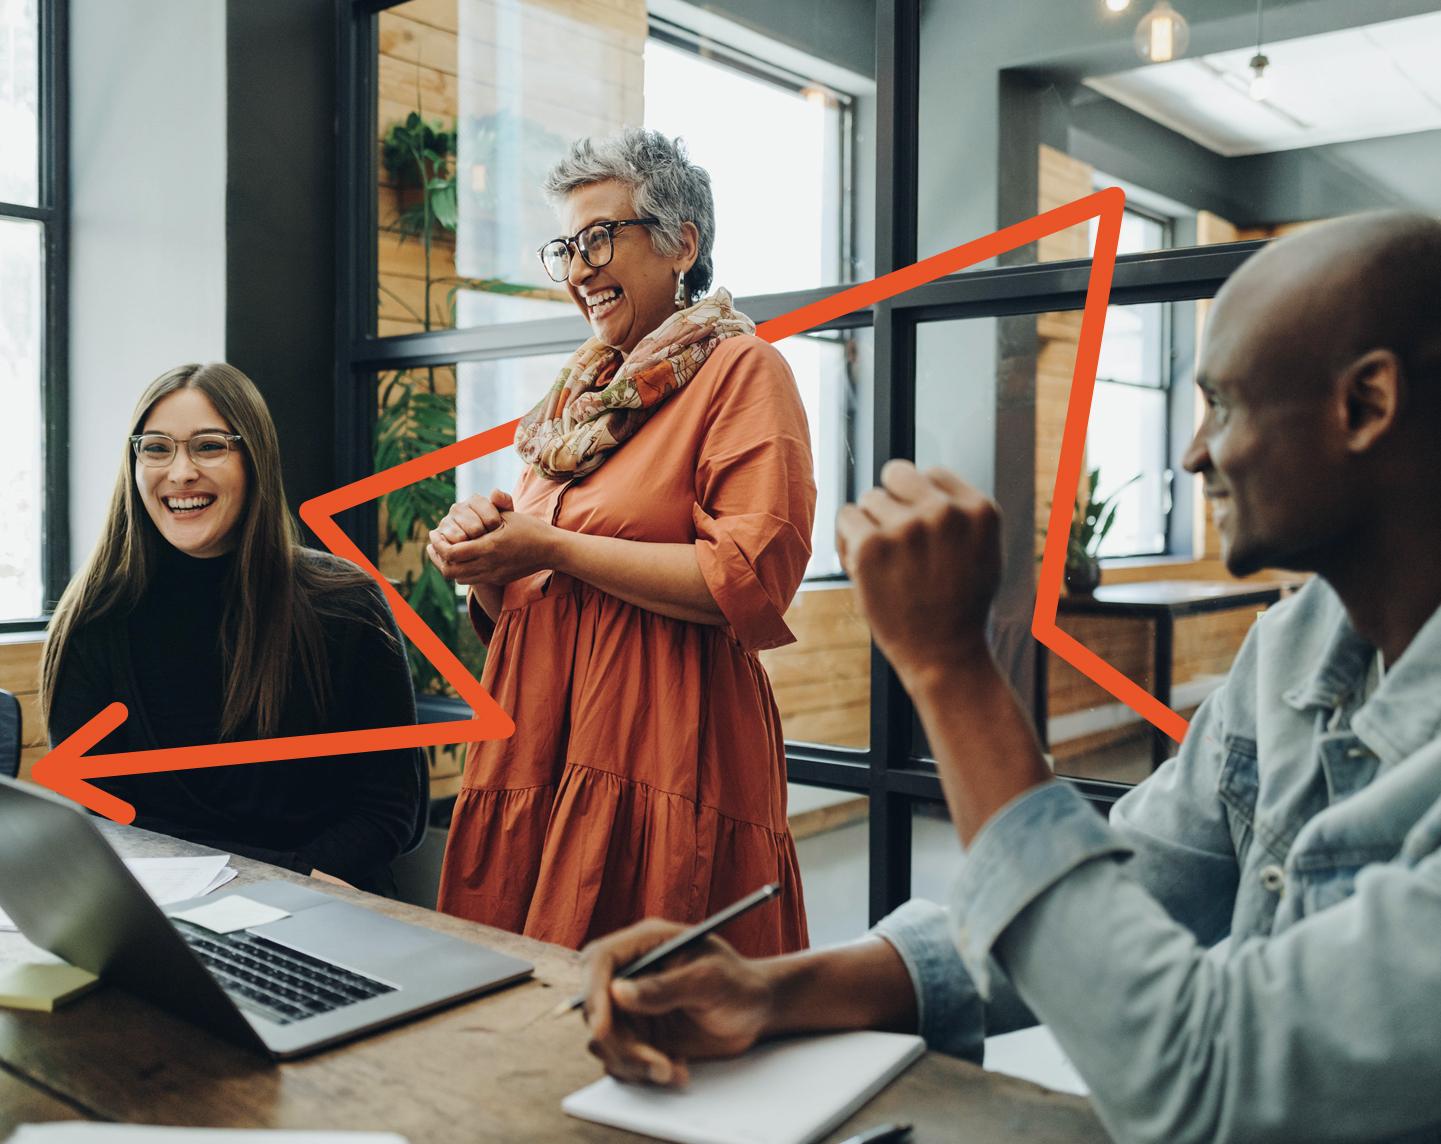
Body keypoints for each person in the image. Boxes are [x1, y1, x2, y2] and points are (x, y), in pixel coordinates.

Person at [575, 210, 1441, 1143]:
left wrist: (951, 669)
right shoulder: (1294, 646)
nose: (1194, 453)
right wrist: (770, 990)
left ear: (1365, 405)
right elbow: (1117, 897)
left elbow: (1209, 1079)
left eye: (1222, 404)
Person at [426, 128, 814, 956]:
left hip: (663, 749)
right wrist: (486, 560)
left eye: (600, 237)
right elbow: (524, 605)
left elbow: (746, 580)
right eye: (565, 247)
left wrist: (550, 547)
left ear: (682, 244)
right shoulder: (575, 404)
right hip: (538, 745)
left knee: (659, 1011)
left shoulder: (742, 372)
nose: (577, 269)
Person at [41, 363, 425, 893]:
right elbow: (101, 810)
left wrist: (282, 884)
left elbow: (390, 811)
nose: (180, 473)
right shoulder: (94, 617)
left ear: (255, 461)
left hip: (324, 904)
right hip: (162, 911)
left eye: (209, 446)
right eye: (156, 448)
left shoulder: (345, 602)